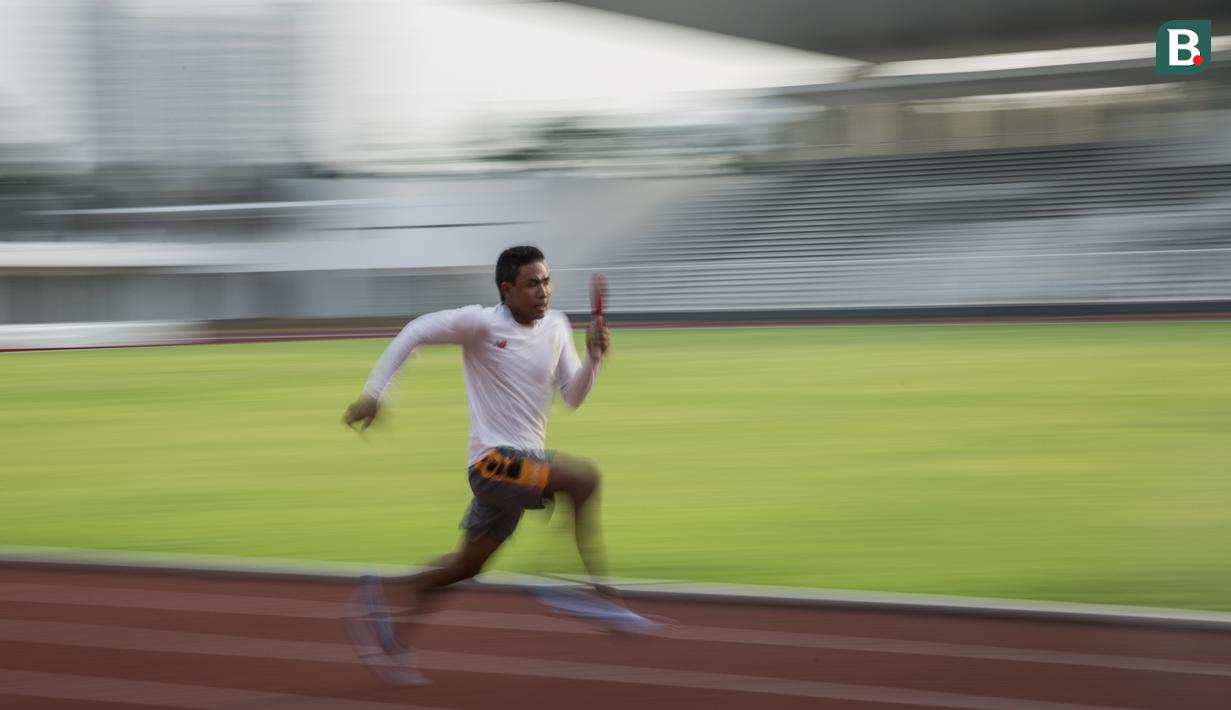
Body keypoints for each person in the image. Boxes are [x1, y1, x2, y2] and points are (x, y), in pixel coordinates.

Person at [341, 245, 625, 686]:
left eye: (547, 281)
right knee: (584, 478)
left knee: (465, 567)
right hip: (492, 463)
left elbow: (572, 396)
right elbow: (416, 331)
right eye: (532, 284)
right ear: (507, 289)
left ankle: (386, 620)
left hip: (524, 466)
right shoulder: (480, 323)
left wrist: (593, 359)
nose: (543, 291)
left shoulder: (557, 326)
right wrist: (375, 393)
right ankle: (596, 590)